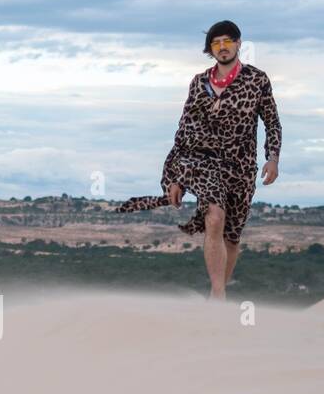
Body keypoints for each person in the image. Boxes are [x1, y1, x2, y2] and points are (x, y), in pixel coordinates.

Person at [117, 21, 282, 298]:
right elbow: (183, 130)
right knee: (214, 217)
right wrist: (175, 177)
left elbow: (272, 122)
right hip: (202, 161)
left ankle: (217, 292)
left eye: (228, 41)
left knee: (231, 236)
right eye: (216, 43)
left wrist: (273, 157)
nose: (222, 47)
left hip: (240, 166)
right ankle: (218, 295)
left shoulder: (257, 80)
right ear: (210, 49)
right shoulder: (199, 82)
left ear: (239, 44)